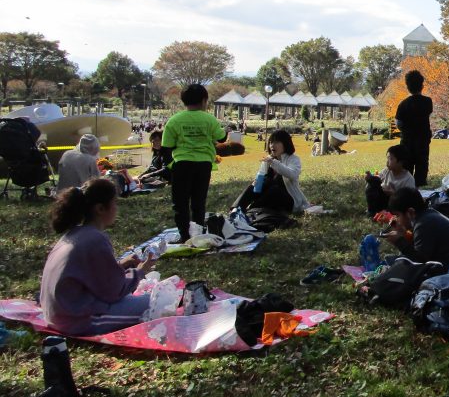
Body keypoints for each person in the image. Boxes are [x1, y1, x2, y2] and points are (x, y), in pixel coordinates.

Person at [40, 178, 156, 335]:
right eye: (114, 202)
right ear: (100, 209)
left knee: (148, 298)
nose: (116, 207)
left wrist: (121, 265)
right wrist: (140, 271)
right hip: (77, 320)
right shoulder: (95, 239)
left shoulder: (76, 233)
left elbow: (90, 275)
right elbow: (114, 291)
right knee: (157, 302)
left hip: (58, 314)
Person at [161, 84, 227, 243]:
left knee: (180, 202)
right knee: (199, 201)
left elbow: (165, 148)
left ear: (183, 101)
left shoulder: (175, 120)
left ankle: (184, 236)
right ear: (205, 100)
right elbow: (222, 138)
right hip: (204, 166)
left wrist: (170, 167)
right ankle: (197, 234)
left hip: (182, 165)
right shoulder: (209, 119)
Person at [382, 187, 449, 272]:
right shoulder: (427, 216)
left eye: (398, 215)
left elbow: (419, 262)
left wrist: (399, 242)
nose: (397, 219)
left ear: (410, 212)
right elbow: (421, 248)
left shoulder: (424, 224)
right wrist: (404, 234)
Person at [234, 129, 310, 215]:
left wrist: (273, 162)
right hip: (269, 198)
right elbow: (261, 176)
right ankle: (235, 210)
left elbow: (292, 174)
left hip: (289, 200)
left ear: (285, 143)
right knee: (252, 187)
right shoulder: (268, 159)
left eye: (276, 142)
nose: (272, 145)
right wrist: (256, 182)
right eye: (271, 142)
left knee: (274, 190)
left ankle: (251, 210)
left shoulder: (293, 159)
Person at [395, 70, 433, 186]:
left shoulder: (403, 104)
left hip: (407, 140)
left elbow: (398, 123)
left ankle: (407, 187)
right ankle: (420, 188)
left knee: (407, 166)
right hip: (423, 140)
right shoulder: (427, 102)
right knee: (422, 165)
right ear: (422, 86)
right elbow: (428, 114)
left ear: (407, 86)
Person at [364, 144, 415, 216]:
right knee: (372, 183)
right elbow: (378, 178)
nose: (387, 161)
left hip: (396, 203)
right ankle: (372, 210)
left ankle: (387, 212)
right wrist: (370, 177)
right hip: (382, 199)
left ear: (400, 162)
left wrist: (394, 194)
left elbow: (409, 198)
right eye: (387, 158)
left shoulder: (408, 179)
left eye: (390, 159)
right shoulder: (387, 171)